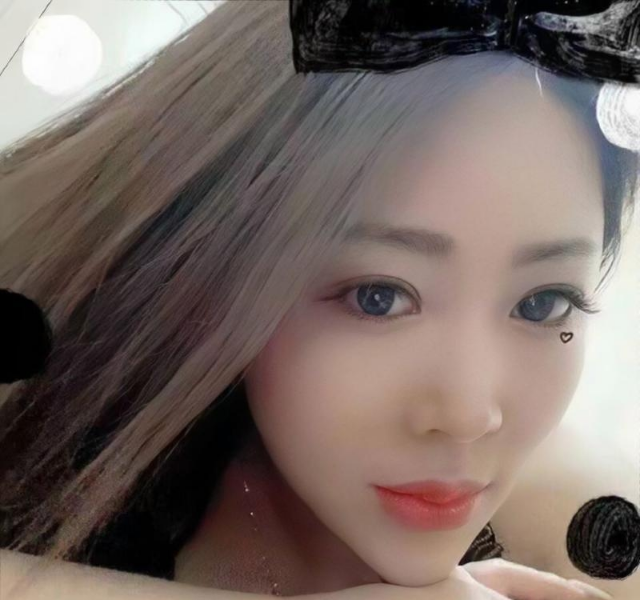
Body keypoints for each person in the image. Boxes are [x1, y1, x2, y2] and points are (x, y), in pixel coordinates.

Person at [0, 1, 637, 599]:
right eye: (378, 297)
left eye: (543, 304)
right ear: (224, 267)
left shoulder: (568, 509)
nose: (469, 414)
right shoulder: (68, 466)